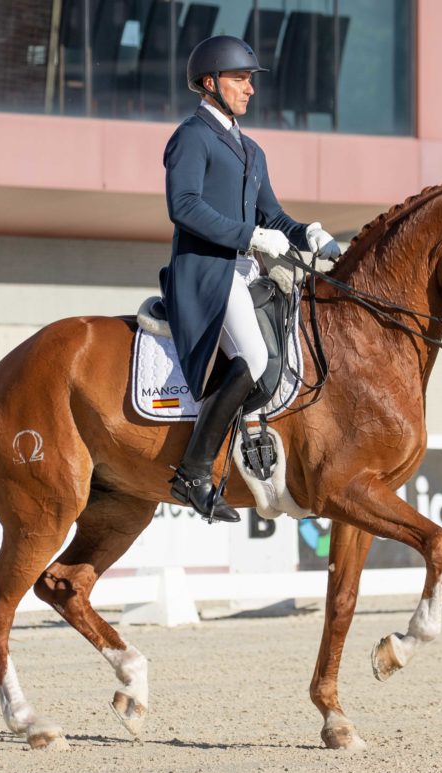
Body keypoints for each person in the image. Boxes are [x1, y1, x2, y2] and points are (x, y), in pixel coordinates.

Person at [161, 35, 341, 523]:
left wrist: (308, 232)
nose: (249, 89)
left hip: (247, 271)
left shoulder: (251, 149)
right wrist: (250, 237)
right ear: (209, 83)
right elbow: (184, 207)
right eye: (240, 79)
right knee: (255, 357)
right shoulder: (191, 137)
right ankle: (194, 472)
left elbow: (273, 217)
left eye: (248, 80)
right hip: (206, 273)